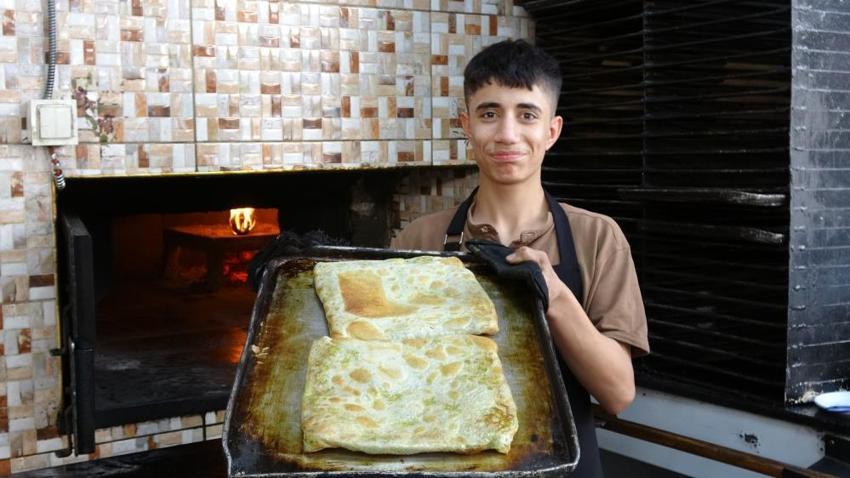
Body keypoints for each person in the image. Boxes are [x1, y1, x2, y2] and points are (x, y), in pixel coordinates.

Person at [391, 39, 649, 477]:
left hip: (565, 468)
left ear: (552, 130)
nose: (507, 133)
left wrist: (555, 296)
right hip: (447, 465)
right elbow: (392, 370)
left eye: (527, 114)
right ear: (466, 125)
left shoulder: (597, 237)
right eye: (489, 113)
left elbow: (618, 393)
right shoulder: (420, 238)